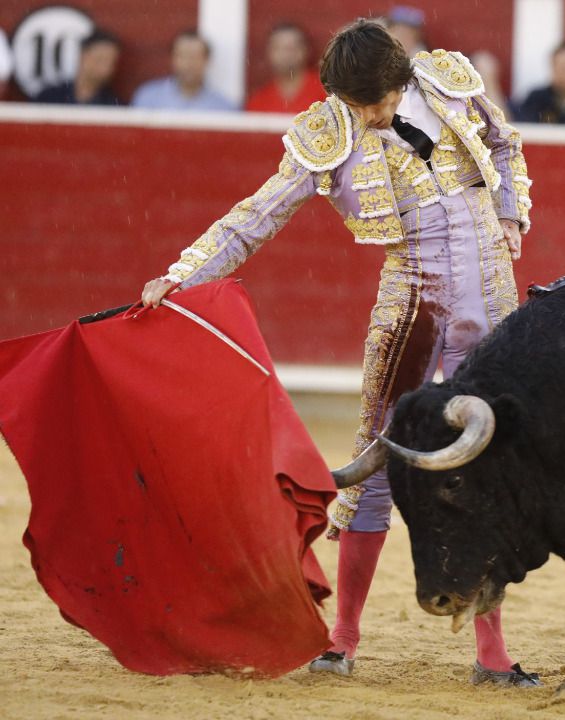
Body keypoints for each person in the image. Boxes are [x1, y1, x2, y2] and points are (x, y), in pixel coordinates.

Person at [137, 20, 536, 685]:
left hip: (491, 294)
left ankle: (492, 655)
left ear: (400, 82)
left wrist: (511, 211)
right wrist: (183, 274)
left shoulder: (446, 81)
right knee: (376, 458)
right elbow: (258, 213)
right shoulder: (330, 131)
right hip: (411, 297)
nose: (369, 119)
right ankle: (342, 640)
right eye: (355, 107)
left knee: (485, 462)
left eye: (375, 104)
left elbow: (503, 144)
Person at [132, 31, 236, 111]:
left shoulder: (223, 107)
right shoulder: (148, 98)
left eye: (195, 57)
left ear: (207, 61)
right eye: (182, 56)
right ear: (173, 59)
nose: (188, 64)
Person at [245, 22, 326, 114]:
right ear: (268, 52)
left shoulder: (326, 90)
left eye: (292, 47)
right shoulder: (258, 101)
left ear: (306, 50)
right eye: (278, 48)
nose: (286, 54)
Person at [34, 30, 122, 106]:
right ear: (83, 56)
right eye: (100, 59)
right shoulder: (49, 97)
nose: (105, 67)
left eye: (111, 62)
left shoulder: (112, 104)